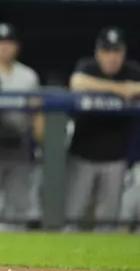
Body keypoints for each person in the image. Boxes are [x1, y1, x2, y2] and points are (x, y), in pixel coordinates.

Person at [67, 26, 140, 231]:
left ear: (123, 53)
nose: (112, 57)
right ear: (98, 52)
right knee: (72, 217)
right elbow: (77, 83)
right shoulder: (88, 67)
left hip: (115, 159)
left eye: (116, 52)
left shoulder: (132, 70)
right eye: (107, 51)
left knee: (108, 223)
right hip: (82, 156)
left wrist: (132, 88)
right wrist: (119, 88)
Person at [0, 23, 40, 227]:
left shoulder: (28, 76)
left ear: (17, 46)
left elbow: (37, 114)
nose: (4, 47)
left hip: (19, 148)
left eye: (9, 42)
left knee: (19, 207)